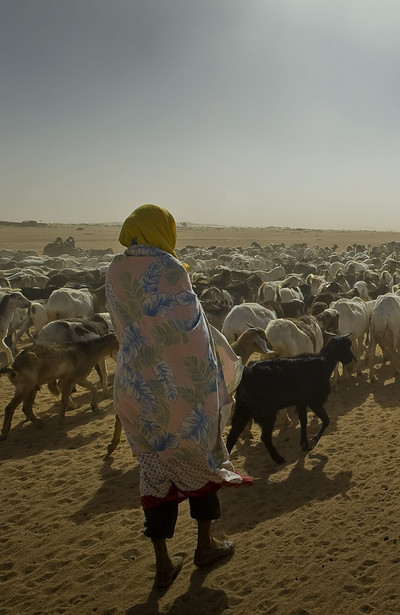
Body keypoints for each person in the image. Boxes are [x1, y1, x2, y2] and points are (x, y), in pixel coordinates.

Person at [105, 204, 251, 590]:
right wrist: (212, 376)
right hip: (179, 388)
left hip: (136, 387)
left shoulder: (114, 270)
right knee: (199, 459)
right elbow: (192, 332)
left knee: (154, 470)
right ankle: (205, 545)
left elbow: (127, 327)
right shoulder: (171, 269)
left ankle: (163, 563)